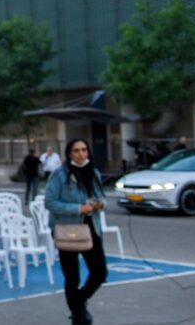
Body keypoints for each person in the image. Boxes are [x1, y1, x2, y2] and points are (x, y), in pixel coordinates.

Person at [45, 138, 108, 325]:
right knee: (72, 276)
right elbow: (50, 202)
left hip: (91, 227)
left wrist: (100, 204)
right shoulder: (60, 175)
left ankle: (79, 302)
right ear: (69, 153)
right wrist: (78, 208)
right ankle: (78, 314)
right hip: (68, 228)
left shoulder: (93, 172)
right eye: (76, 151)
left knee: (100, 272)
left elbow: (102, 197)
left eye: (84, 150)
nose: (81, 154)